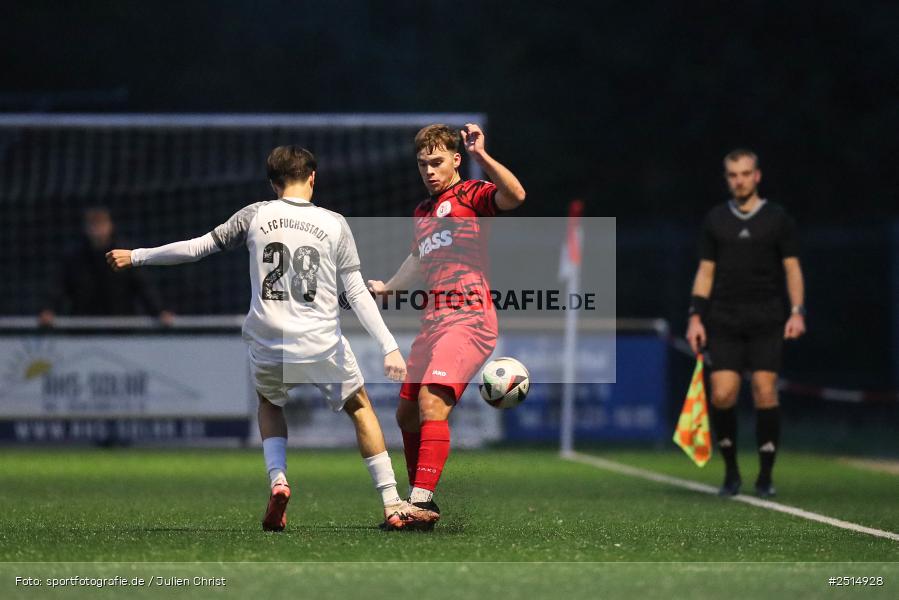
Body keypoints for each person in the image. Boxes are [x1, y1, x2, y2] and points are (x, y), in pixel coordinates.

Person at [106, 146, 433, 531]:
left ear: (273, 183)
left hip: (268, 339)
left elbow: (197, 248)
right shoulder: (334, 223)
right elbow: (358, 292)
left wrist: (138, 255)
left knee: (269, 404)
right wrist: (389, 345)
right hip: (320, 339)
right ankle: (393, 502)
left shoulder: (255, 214)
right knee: (359, 407)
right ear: (313, 177)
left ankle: (278, 480)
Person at [367, 123, 526, 528]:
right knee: (406, 416)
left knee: (431, 404)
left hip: (470, 316)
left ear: (457, 160)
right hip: (434, 320)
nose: (429, 171)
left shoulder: (471, 194)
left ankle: (419, 502)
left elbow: (516, 196)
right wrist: (388, 287)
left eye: (437, 162)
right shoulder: (423, 211)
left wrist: (483, 157)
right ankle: (423, 498)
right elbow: (418, 260)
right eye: (423, 164)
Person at [685, 148, 806, 498]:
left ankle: (766, 475)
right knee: (722, 393)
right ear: (727, 179)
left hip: (767, 317)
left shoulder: (777, 219)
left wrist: (797, 311)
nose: (739, 180)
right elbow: (705, 272)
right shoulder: (716, 220)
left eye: (745, 173)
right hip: (724, 318)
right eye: (733, 175)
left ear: (757, 176)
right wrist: (695, 315)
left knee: (765, 390)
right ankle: (731, 472)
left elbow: (792, 268)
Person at [39, 206, 173, 326]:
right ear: (86, 228)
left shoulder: (125, 255)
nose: (97, 230)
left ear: (110, 226)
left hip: (121, 327)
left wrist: (159, 311)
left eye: (101, 224)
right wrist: (49, 309)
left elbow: (144, 286)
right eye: (93, 225)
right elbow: (58, 287)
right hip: (83, 328)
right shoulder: (73, 258)